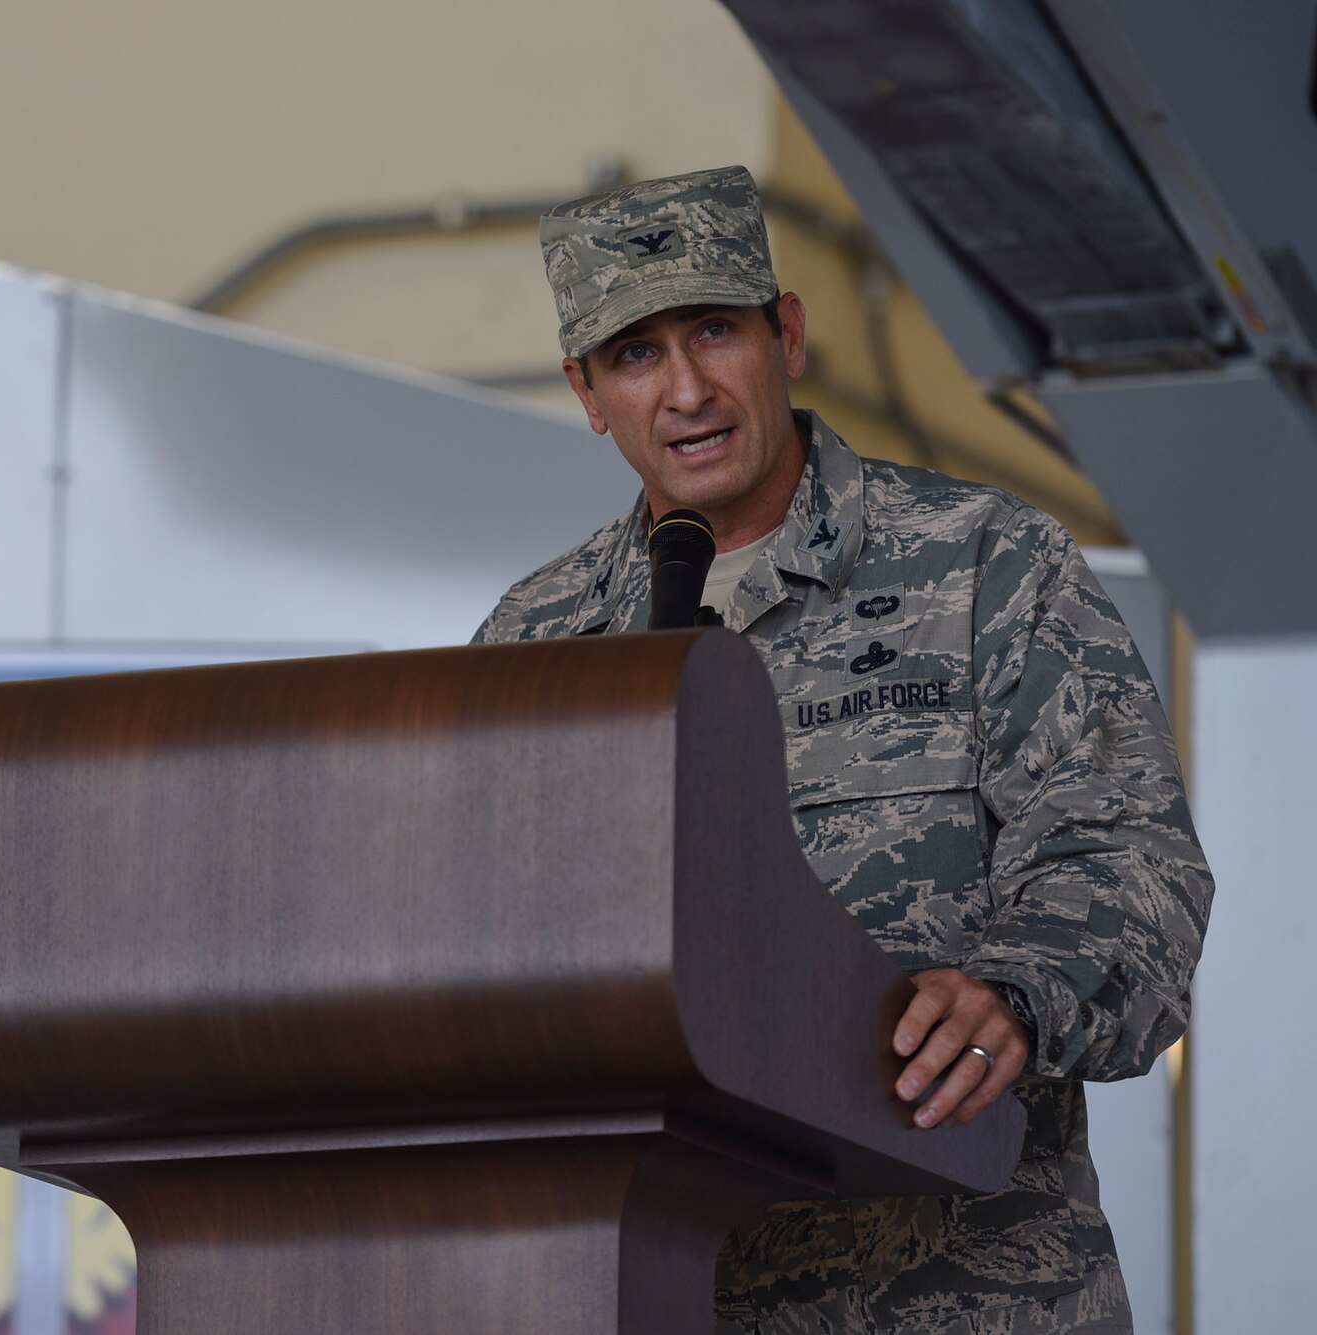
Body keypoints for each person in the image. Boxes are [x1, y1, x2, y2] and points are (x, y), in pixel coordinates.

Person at [474, 165, 1213, 1334]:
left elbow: (1128, 861)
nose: (684, 391)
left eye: (714, 330)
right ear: (584, 391)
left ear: (788, 334)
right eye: (634, 355)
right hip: (661, 1296)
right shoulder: (535, 637)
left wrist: (1015, 990)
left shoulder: (984, 563)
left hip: (961, 1296)